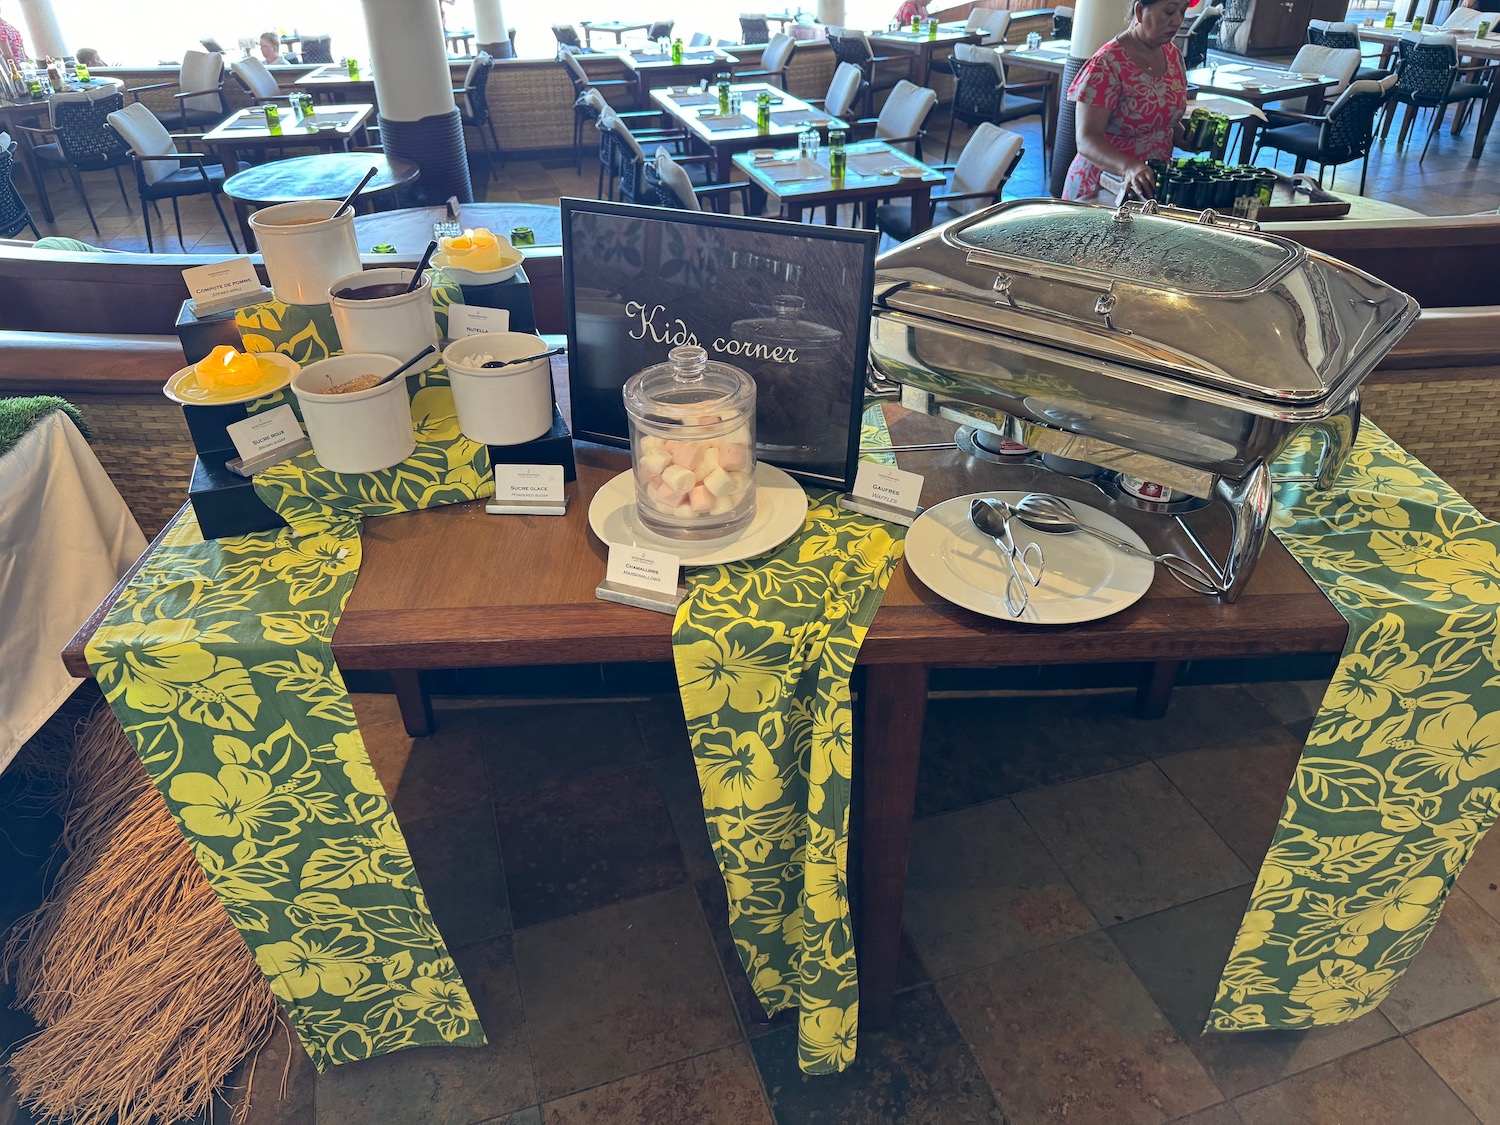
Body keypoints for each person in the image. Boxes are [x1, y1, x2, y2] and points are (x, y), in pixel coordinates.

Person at [1061, 0, 1190, 200]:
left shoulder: (1173, 55)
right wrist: (1129, 166)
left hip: (1147, 187)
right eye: (1169, 11)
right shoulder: (1107, 63)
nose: (1177, 21)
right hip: (1104, 185)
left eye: (1182, 11)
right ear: (1139, 11)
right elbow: (1087, 139)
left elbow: (1163, 119)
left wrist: (1185, 135)